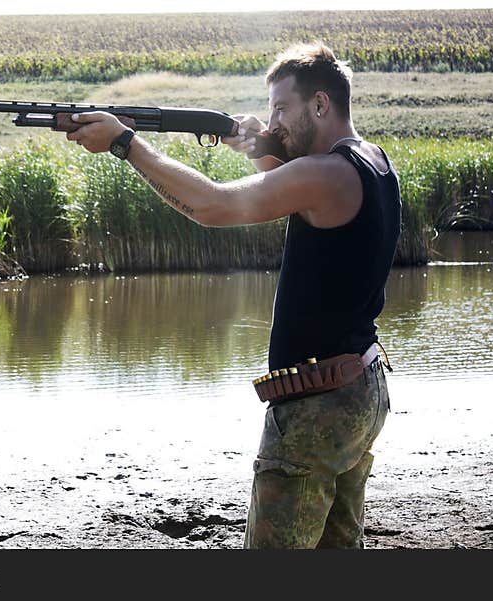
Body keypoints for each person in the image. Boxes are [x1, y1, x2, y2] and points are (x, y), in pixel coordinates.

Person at [64, 42, 400, 549]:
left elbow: (211, 207)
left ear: (321, 105)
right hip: (361, 388)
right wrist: (258, 145)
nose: (275, 121)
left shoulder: (325, 174)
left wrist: (126, 143)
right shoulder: (371, 162)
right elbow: (286, 180)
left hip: (315, 405)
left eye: (282, 109)